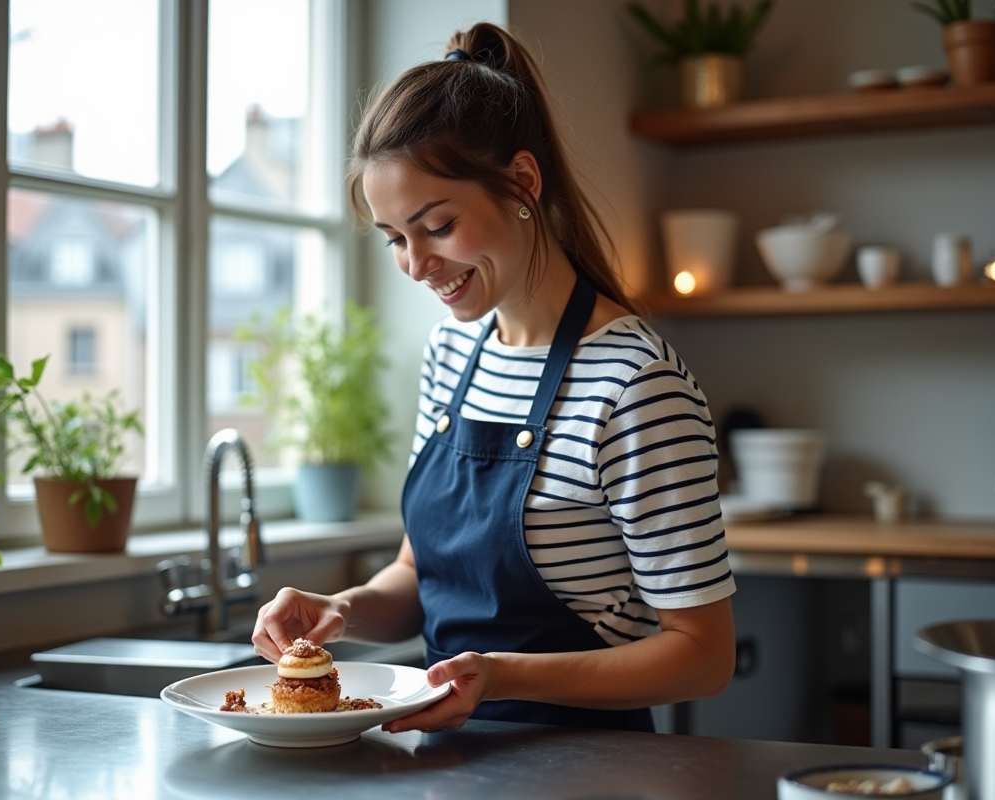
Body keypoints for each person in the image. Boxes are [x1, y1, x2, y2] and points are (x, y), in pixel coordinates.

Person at [252, 22, 736, 734]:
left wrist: (502, 675)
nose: (416, 264)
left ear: (522, 183)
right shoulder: (451, 354)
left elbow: (701, 655)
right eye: (394, 239)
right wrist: (345, 610)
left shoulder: (635, 385)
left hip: (588, 771)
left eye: (437, 226)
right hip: (444, 764)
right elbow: (421, 577)